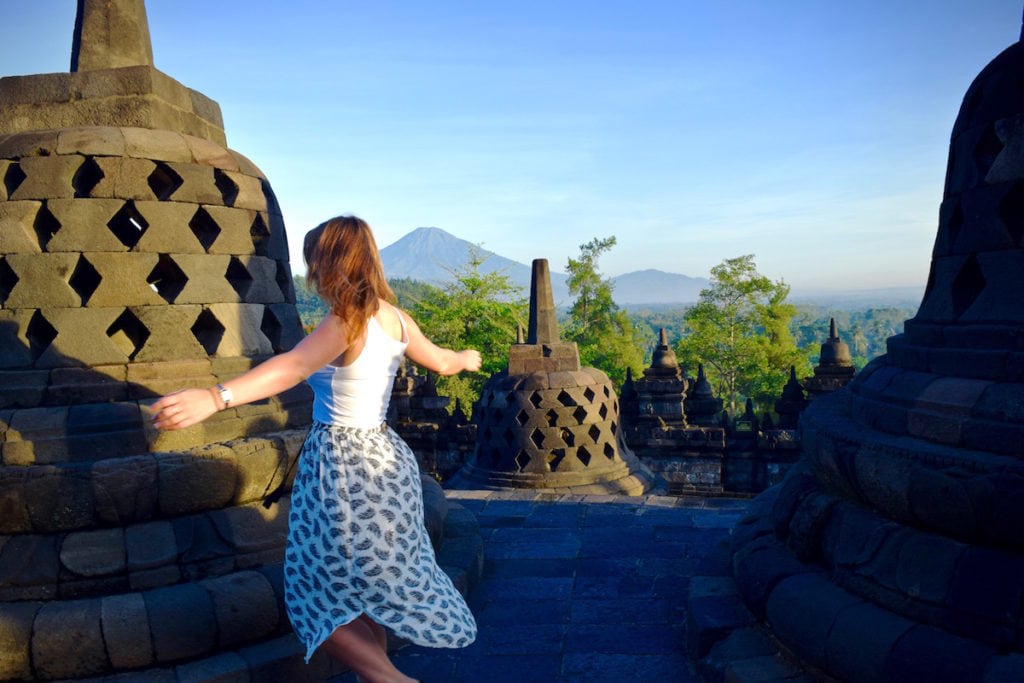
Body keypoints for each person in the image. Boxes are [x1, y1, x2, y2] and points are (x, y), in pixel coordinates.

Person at [151, 215, 480, 683]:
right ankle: (378, 678)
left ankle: (393, 681)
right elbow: (444, 363)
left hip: (343, 465)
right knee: (359, 589)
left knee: (312, 591)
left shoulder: (348, 318)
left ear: (329, 262)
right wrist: (468, 359)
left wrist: (215, 397)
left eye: (313, 260)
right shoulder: (396, 318)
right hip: (387, 461)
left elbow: (292, 366)